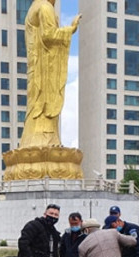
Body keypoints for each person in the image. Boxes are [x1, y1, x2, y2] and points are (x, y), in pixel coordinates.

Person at [19, 0, 81, 148]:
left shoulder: (33, 8)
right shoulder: (45, 7)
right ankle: (44, 139)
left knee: (35, 105)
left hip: (36, 68)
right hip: (44, 71)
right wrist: (70, 29)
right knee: (44, 105)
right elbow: (48, 35)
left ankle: (36, 139)